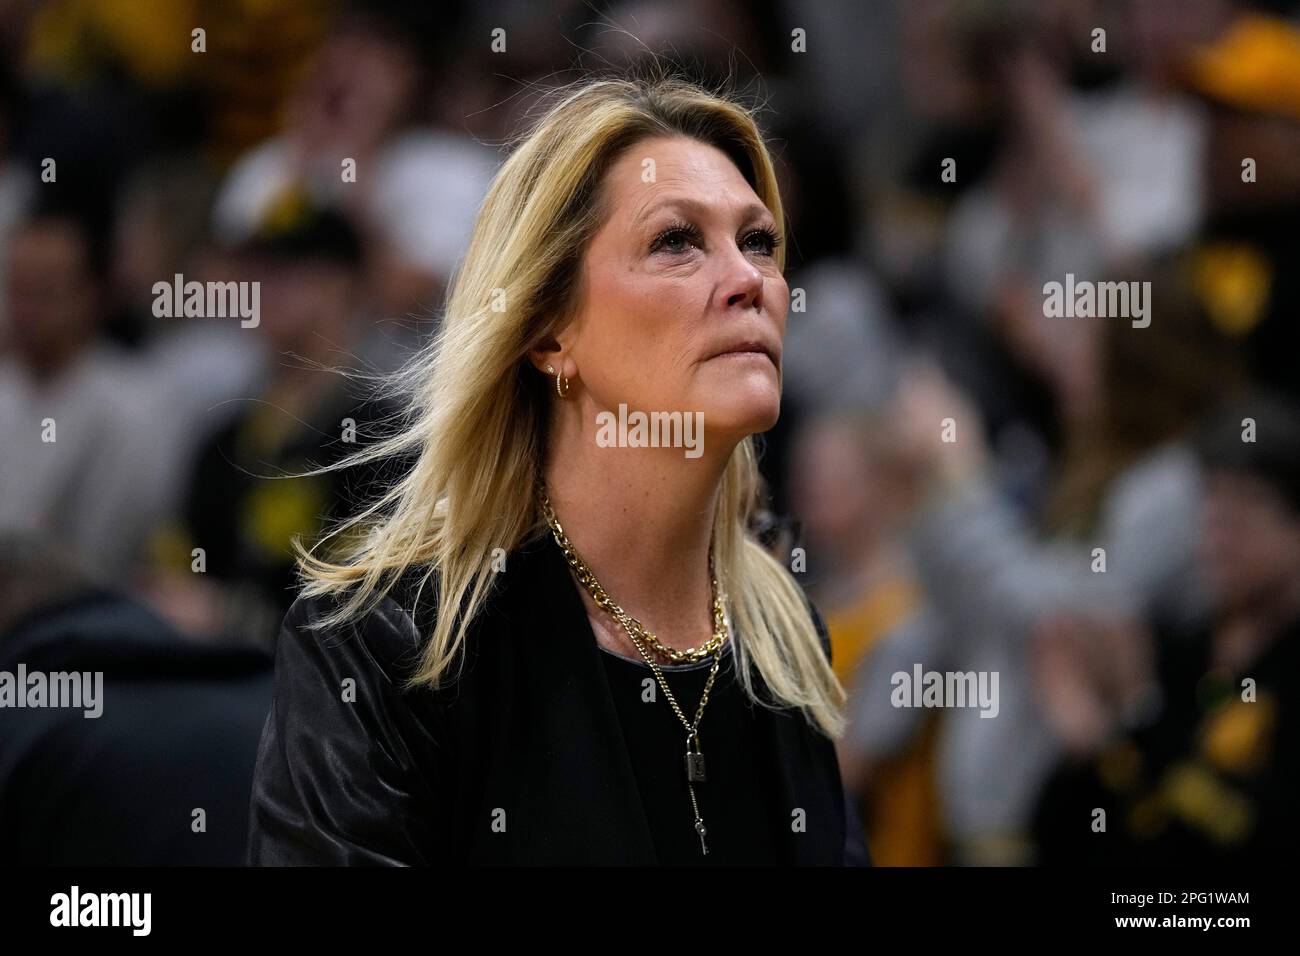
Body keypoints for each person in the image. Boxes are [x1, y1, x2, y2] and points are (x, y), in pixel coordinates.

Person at [247, 74, 869, 866]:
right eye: (677, 241)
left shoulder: (782, 630)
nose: (749, 280)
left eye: (759, 242)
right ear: (548, 333)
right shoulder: (388, 644)